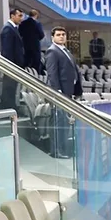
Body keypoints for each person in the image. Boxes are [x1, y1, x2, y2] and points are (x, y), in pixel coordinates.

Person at [44, 27, 81, 157]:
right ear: (52, 37)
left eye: (63, 34)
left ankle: (63, 149)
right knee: (58, 122)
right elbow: (52, 73)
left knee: (64, 122)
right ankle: (56, 151)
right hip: (59, 94)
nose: (61, 36)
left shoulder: (66, 51)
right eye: (58, 34)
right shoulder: (52, 51)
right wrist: (57, 91)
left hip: (67, 92)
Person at [0, 8, 24, 111]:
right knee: (9, 87)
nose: (21, 19)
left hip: (15, 64)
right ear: (12, 16)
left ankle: (11, 107)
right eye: (19, 16)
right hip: (11, 64)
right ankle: (7, 107)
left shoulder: (13, 29)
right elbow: (7, 50)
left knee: (12, 87)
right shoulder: (8, 29)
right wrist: (10, 65)